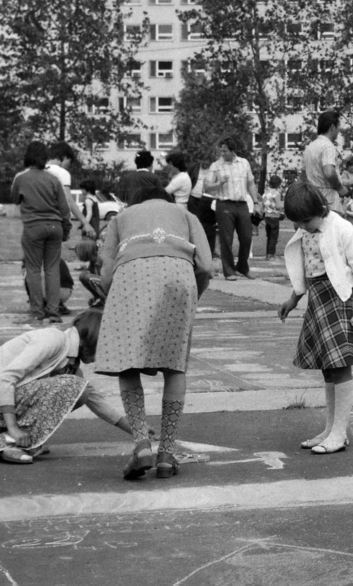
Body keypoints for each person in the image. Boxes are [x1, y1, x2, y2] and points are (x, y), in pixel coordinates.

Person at [95, 178, 212, 479]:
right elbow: (207, 265)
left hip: (130, 277)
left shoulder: (120, 218)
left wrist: (115, 299)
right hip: (179, 277)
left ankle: (141, 444)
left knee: (127, 361)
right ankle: (167, 453)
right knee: (175, 367)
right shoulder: (187, 216)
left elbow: (106, 273)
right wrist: (193, 295)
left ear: (137, 201)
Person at [278, 181, 353, 455]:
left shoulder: (341, 228)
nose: (303, 226)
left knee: (340, 364)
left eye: (306, 220)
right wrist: (294, 298)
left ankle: (340, 432)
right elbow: (306, 270)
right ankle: (330, 428)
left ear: (321, 208)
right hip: (318, 298)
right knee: (327, 367)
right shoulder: (307, 229)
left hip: (341, 299)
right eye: (298, 223)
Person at [0, 309, 132, 462]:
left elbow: (96, 400)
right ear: (92, 339)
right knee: (73, 386)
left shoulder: (71, 363)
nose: (102, 356)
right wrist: (13, 427)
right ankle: (11, 439)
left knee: (81, 391)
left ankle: (14, 443)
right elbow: (5, 378)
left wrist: (136, 430)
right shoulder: (53, 339)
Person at [11, 140, 85, 323]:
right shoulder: (54, 179)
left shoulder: (20, 178)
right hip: (55, 227)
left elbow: (14, 199)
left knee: (34, 269)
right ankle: (54, 312)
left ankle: (37, 311)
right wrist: (66, 229)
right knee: (53, 269)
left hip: (33, 228)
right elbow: (64, 208)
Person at [200, 137, 256, 280]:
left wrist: (255, 201)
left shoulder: (244, 163)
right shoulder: (216, 166)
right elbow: (207, 186)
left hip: (242, 204)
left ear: (232, 150)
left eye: (225, 151)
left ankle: (243, 266)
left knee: (246, 237)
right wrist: (219, 183)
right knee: (226, 238)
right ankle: (229, 271)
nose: (222, 153)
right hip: (224, 204)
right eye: (221, 150)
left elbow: (250, 183)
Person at [301, 109, 344, 214]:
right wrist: (340, 188)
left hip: (312, 198)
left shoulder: (310, 147)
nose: (339, 131)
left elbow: (303, 175)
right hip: (329, 199)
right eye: (339, 127)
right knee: (333, 229)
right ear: (333, 127)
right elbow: (329, 172)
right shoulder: (328, 146)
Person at [259, 174, 285, 258]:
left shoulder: (265, 193)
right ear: (278, 184)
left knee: (269, 236)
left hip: (267, 216)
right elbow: (278, 206)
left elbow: (262, 205)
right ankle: (271, 254)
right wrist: (282, 205)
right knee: (274, 237)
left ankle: (268, 254)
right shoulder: (276, 194)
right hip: (274, 216)